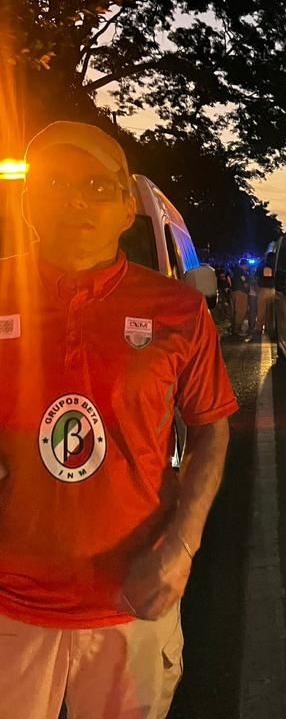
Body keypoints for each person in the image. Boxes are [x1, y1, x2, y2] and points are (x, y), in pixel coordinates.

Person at [0, 121, 238, 719]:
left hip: (132, 603)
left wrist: (181, 547)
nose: (75, 200)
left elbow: (210, 426)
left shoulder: (177, 308)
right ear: (29, 202)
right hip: (11, 605)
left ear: (127, 207)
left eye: (95, 186)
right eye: (55, 183)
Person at [252, 256, 275, 337]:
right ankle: (269, 327)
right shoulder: (275, 265)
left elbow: (256, 278)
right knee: (271, 310)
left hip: (263, 290)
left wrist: (257, 289)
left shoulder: (261, 266)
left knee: (261, 310)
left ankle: (259, 328)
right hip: (273, 290)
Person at [230, 260, 250, 336]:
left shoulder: (233, 271)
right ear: (244, 265)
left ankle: (234, 328)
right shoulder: (241, 273)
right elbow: (245, 284)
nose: (248, 267)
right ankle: (237, 329)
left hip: (233, 292)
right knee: (240, 311)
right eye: (247, 265)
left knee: (234, 311)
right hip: (241, 293)